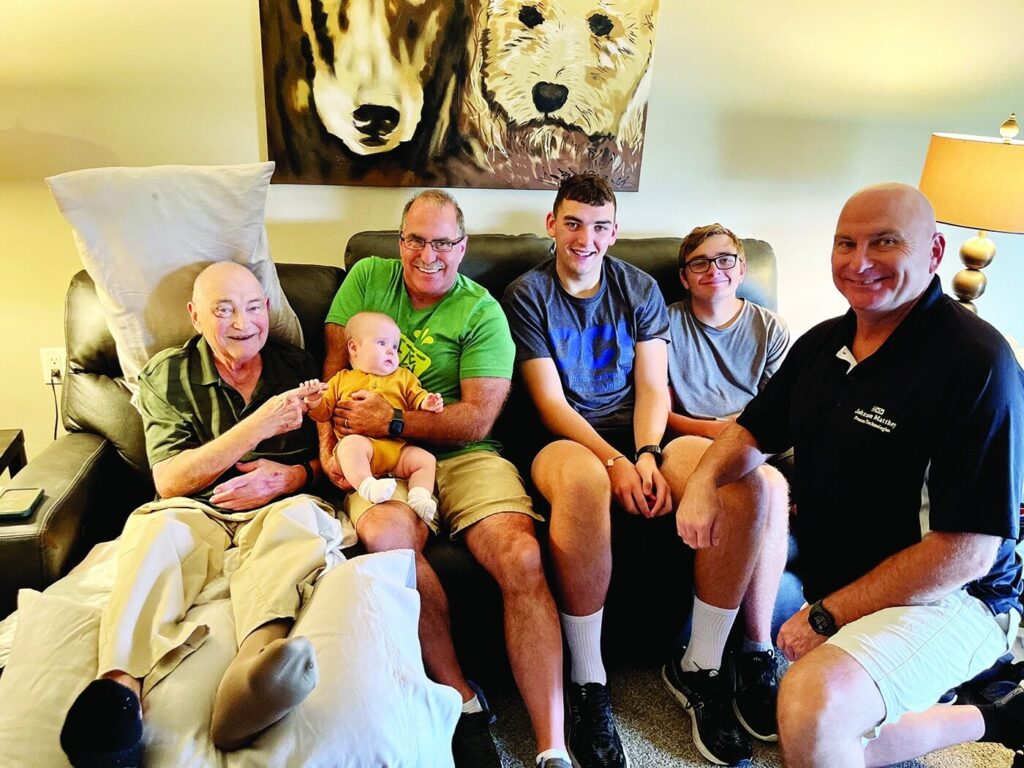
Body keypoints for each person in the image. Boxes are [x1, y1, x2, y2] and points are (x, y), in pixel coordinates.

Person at [677, 182, 1024, 767]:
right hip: (849, 583)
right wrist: (704, 484)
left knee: (812, 704)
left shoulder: (978, 362)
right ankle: (994, 714)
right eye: (846, 243)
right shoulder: (821, 343)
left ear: (935, 252)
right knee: (812, 719)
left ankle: (990, 706)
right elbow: (752, 431)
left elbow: (966, 554)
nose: (859, 262)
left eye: (885, 242)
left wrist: (826, 615)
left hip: (956, 599)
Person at [502, 173, 790, 767]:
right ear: (552, 224)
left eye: (599, 226)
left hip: (640, 435)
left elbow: (653, 386)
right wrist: (613, 462)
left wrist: (646, 454)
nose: (585, 239)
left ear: (614, 233)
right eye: (573, 223)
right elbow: (551, 404)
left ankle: (700, 667)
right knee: (584, 483)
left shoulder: (638, 287)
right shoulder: (527, 293)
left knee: (739, 482)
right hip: (563, 439)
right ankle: (588, 680)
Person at [59, 262, 354, 766]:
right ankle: (119, 693)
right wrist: (258, 425)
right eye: (224, 309)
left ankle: (251, 678)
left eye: (253, 307)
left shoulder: (297, 367)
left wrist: (293, 477)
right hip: (196, 509)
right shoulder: (167, 375)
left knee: (304, 525)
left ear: (268, 310)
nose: (243, 322)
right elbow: (168, 480)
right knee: (154, 532)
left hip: (280, 506)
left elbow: (332, 465)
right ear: (195, 316)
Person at [319, 190, 570, 768]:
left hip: (465, 453)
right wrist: (332, 453)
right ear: (400, 239)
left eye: (441, 242)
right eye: (414, 239)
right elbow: (332, 374)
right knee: (388, 539)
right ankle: (462, 699)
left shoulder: (482, 312)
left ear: (462, 246)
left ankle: (552, 746)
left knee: (521, 556)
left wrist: (395, 418)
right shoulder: (367, 277)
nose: (426, 254)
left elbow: (477, 418)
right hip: (378, 457)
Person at [303, 311, 444, 523]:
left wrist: (428, 402)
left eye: (395, 347)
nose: (391, 351)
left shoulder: (404, 377)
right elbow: (323, 413)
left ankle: (420, 496)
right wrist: (314, 401)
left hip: (396, 451)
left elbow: (417, 398)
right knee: (350, 446)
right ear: (354, 348)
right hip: (362, 450)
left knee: (425, 460)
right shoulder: (341, 379)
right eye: (382, 343)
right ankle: (368, 486)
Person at [667, 224, 789, 440]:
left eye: (725, 260)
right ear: (684, 278)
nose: (713, 271)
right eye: (700, 263)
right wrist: (718, 431)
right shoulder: (662, 325)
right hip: (690, 438)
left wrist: (742, 434)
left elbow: (775, 409)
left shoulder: (771, 328)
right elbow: (660, 414)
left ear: (741, 270)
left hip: (754, 436)